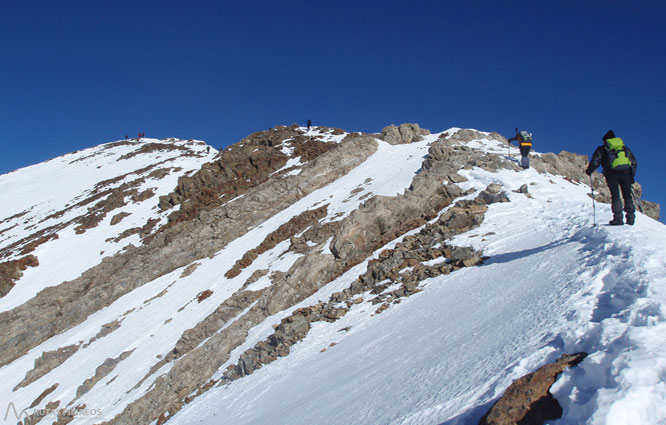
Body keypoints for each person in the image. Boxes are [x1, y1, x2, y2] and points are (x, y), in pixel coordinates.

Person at [585, 130, 637, 225]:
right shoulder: (623, 148)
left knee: (615, 196)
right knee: (627, 196)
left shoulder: (603, 148)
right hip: (625, 173)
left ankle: (618, 219)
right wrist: (631, 176)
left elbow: (596, 161)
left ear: (605, 140)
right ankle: (630, 218)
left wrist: (589, 170)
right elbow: (633, 161)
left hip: (611, 174)